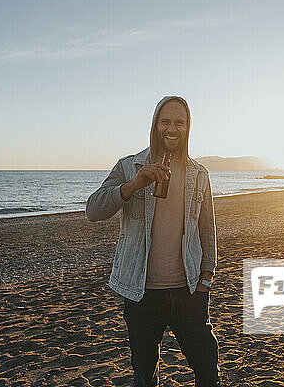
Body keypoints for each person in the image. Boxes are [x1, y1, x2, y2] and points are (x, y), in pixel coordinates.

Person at [86, 96, 220, 386]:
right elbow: (93, 210)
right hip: (141, 291)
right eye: (166, 121)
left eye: (179, 123)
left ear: (187, 128)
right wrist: (134, 184)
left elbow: (206, 229)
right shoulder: (128, 166)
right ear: (156, 125)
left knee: (208, 370)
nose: (172, 128)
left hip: (189, 289)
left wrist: (206, 277)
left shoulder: (199, 174)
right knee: (145, 378)